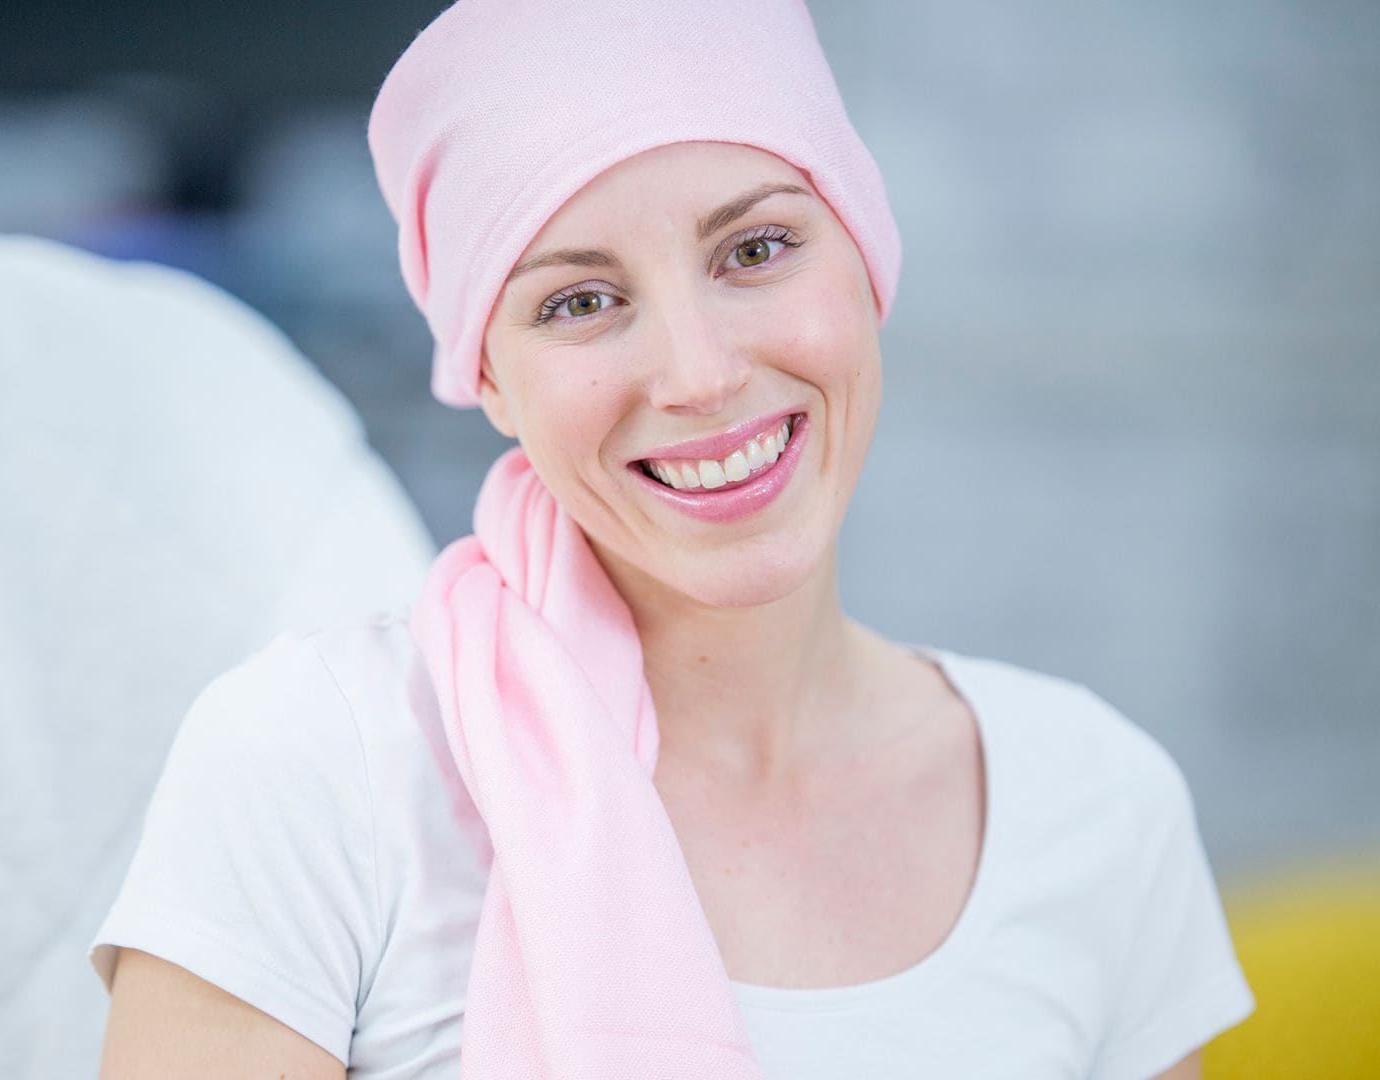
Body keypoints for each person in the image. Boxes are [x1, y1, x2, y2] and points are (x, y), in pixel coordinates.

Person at [89, 1, 1255, 1076]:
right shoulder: (323, 766)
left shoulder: (1094, 803)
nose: (698, 375)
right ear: (491, 376)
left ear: (867, 254)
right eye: (579, 302)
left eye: (755, 250)